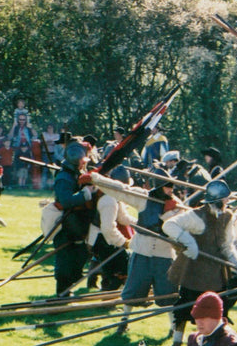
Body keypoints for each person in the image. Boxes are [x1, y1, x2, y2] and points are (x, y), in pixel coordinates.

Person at [162, 179, 237, 346]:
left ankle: (208, 344)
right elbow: (169, 225)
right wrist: (188, 242)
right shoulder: (196, 216)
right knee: (184, 308)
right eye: (225, 199)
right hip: (193, 272)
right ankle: (176, 342)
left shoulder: (227, 216)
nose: (227, 202)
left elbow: (227, 245)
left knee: (215, 311)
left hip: (215, 274)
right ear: (217, 199)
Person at [91, 166, 181, 333]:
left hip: (164, 254)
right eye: (167, 186)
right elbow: (121, 190)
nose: (170, 190)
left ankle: (174, 328)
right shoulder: (144, 198)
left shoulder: (176, 206)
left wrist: (169, 214)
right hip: (142, 251)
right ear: (160, 186)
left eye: (172, 187)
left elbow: (181, 228)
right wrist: (96, 179)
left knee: (168, 293)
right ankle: (124, 321)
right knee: (132, 289)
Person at [52, 140, 94, 296]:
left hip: (76, 225)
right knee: (65, 263)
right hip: (65, 226)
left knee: (79, 257)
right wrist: (86, 193)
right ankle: (62, 294)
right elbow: (67, 201)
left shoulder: (74, 173)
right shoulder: (64, 177)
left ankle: (67, 291)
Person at [87, 164, 135, 291]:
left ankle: (109, 298)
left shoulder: (113, 196)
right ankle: (108, 300)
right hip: (101, 240)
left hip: (104, 238)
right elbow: (108, 229)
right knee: (121, 269)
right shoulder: (109, 200)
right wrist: (123, 242)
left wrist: (141, 223)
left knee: (118, 270)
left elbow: (122, 218)